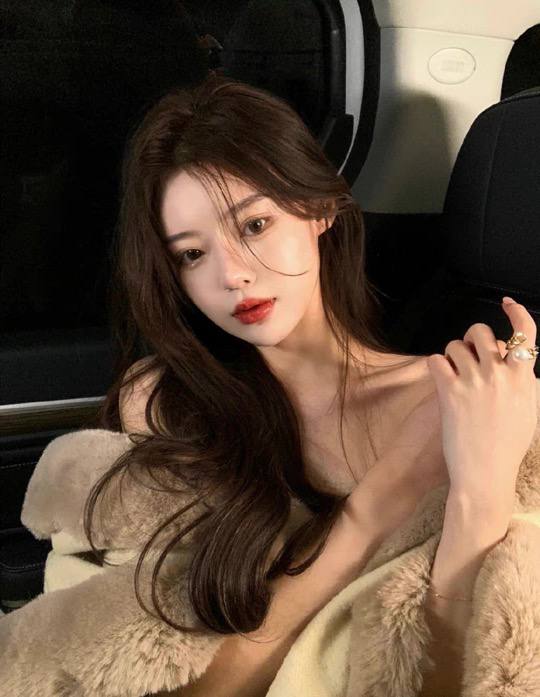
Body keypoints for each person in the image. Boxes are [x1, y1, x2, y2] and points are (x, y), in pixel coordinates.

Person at [1, 71, 539, 697]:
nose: (231, 275)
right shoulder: (170, 403)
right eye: (192, 254)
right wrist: (373, 512)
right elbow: (176, 681)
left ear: (319, 209)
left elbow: (472, 674)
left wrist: (480, 495)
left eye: (254, 225)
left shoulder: (470, 402)